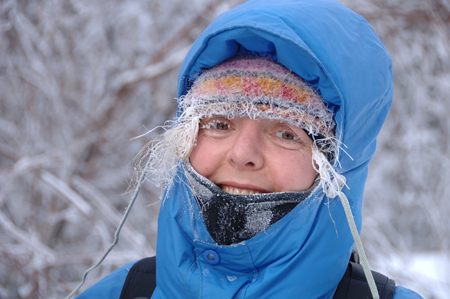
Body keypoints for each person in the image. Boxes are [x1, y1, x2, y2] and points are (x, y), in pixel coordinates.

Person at [75, 0, 423, 298]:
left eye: (287, 133)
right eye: (219, 125)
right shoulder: (123, 291)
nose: (242, 154)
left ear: (337, 166)